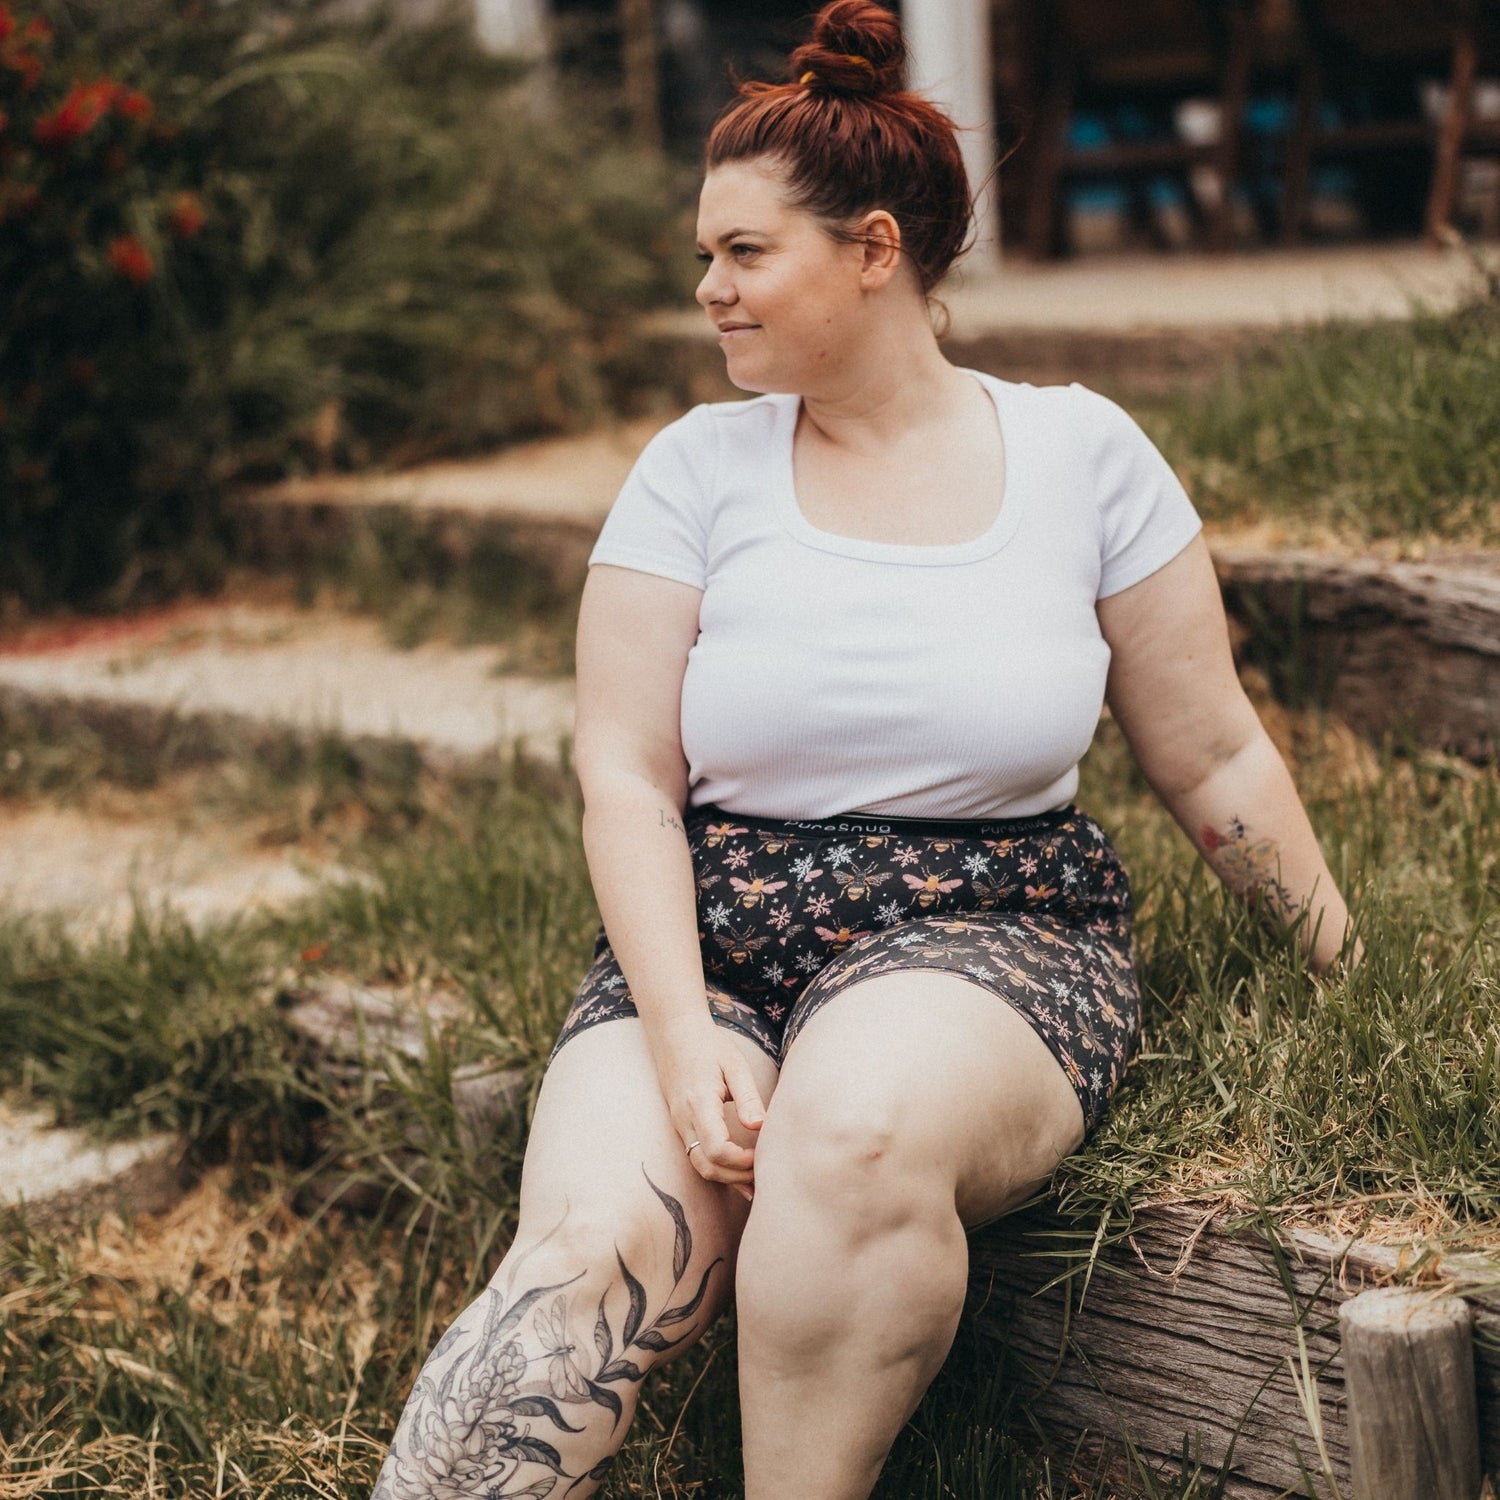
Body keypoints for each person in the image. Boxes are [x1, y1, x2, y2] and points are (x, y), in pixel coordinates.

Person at [370, 3, 1359, 1496]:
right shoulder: (694, 470)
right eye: (705, 254)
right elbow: (626, 779)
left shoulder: (1082, 455)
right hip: (715, 933)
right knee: (599, 1246)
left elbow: (1214, 754)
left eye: (743, 252)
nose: (707, 288)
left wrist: (1343, 969)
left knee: (851, 1136)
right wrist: (684, 1037)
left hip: (995, 926)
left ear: (874, 251)